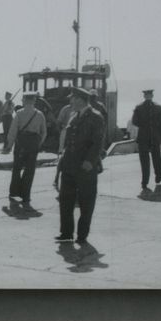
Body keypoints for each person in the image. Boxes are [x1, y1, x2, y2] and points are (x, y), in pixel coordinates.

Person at [55, 88, 104, 244]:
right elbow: (69, 141)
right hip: (69, 164)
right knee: (65, 199)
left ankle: (82, 235)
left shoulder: (96, 117)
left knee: (86, 200)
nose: (70, 102)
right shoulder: (73, 116)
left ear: (81, 100)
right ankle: (66, 233)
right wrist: (62, 159)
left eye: (73, 99)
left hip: (85, 166)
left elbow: (97, 143)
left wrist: (90, 161)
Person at [2, 91, 47, 206]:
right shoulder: (40, 114)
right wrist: (38, 144)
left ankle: (14, 192)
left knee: (17, 168)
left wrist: (9, 146)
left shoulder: (19, 113)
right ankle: (26, 196)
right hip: (33, 144)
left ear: (25, 100)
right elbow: (44, 132)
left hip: (21, 144)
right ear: (34, 100)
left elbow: (12, 132)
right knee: (30, 170)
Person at [132, 89, 161, 192]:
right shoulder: (158, 107)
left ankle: (145, 182)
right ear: (152, 96)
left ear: (145, 96)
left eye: (148, 95)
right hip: (154, 136)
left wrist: (143, 126)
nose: (148, 96)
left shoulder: (139, 107)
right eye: (148, 95)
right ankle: (159, 176)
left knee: (145, 161)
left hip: (143, 137)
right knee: (157, 158)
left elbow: (134, 121)